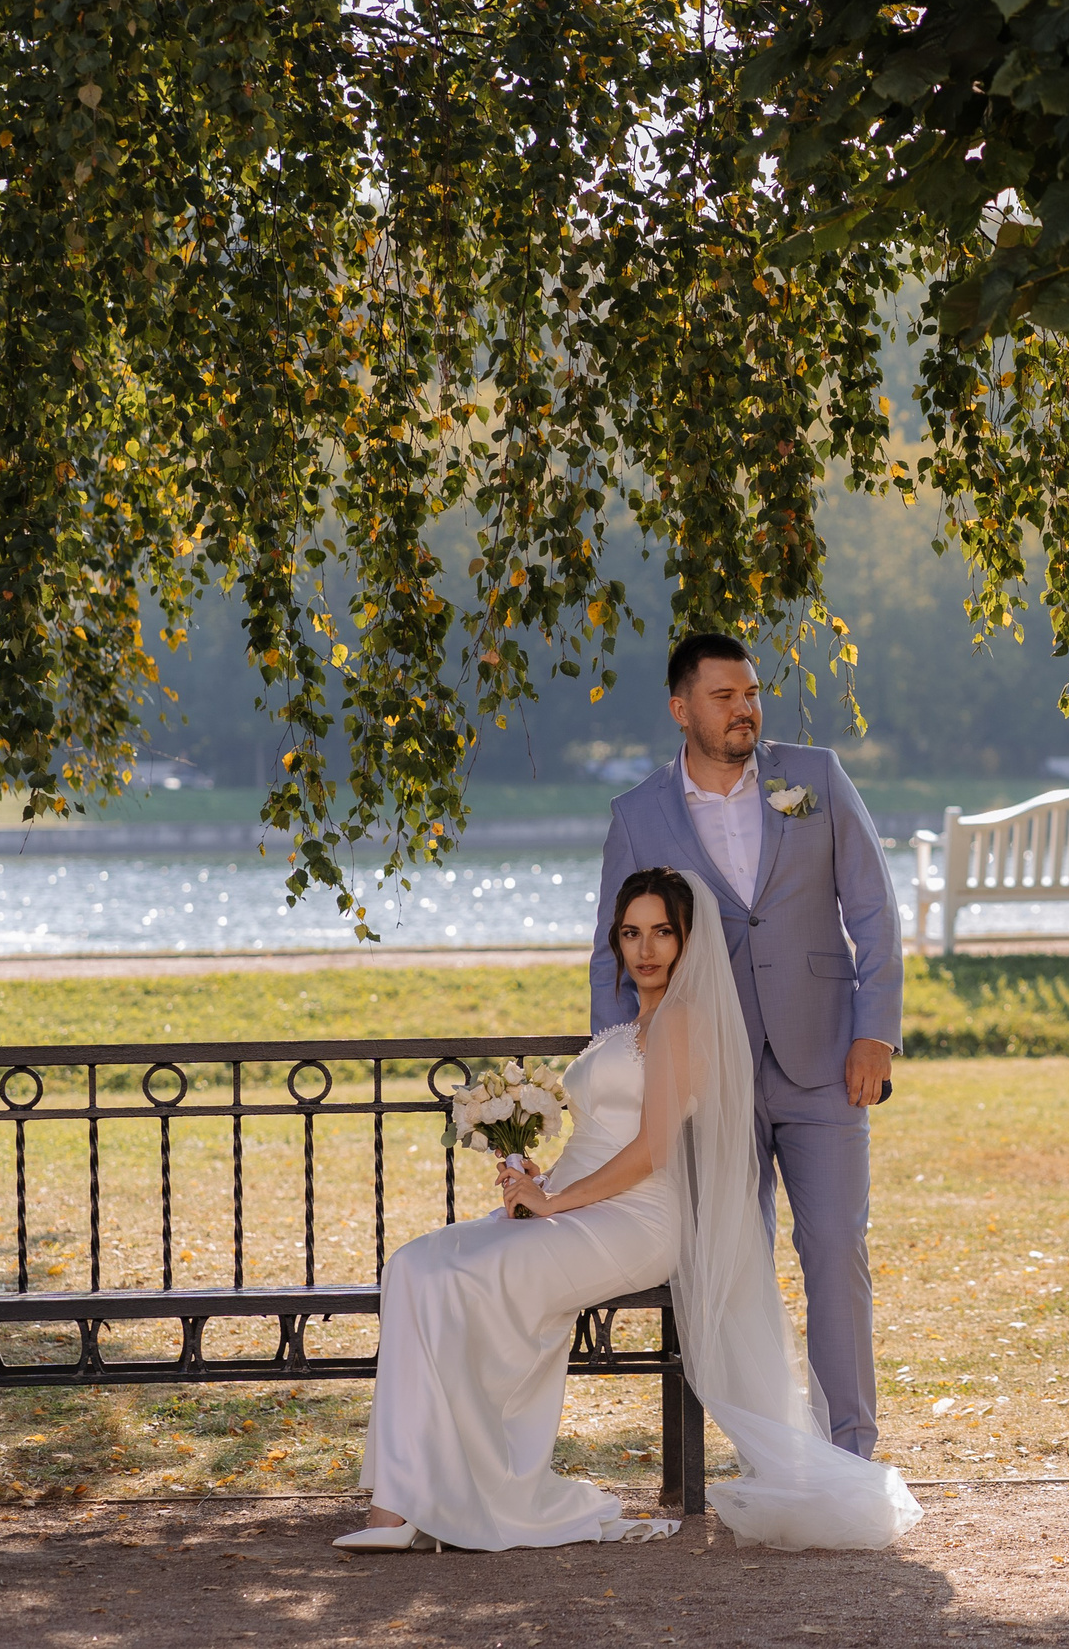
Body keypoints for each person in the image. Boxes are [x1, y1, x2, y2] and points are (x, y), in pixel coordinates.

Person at [340, 868, 921, 1551]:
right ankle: (402, 1500)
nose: (645, 949)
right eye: (631, 933)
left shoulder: (681, 1021)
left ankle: (447, 1497)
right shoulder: (634, 1025)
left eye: (662, 933)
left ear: (687, 940)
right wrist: (538, 1177)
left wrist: (553, 1201)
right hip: (580, 1207)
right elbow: (599, 1139)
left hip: (637, 1220)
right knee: (414, 1266)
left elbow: (650, 1151)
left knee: (463, 1279)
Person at [590, 632, 904, 1461]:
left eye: (752, 692)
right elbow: (610, 955)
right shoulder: (637, 816)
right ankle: (770, 1449)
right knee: (734, 1262)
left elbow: (872, 910)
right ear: (680, 709)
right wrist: (629, 1074)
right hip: (706, 1076)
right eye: (724, 696)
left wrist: (876, 1031)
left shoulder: (817, 777)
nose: (745, 709)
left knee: (836, 1247)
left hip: (827, 1059)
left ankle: (850, 1452)